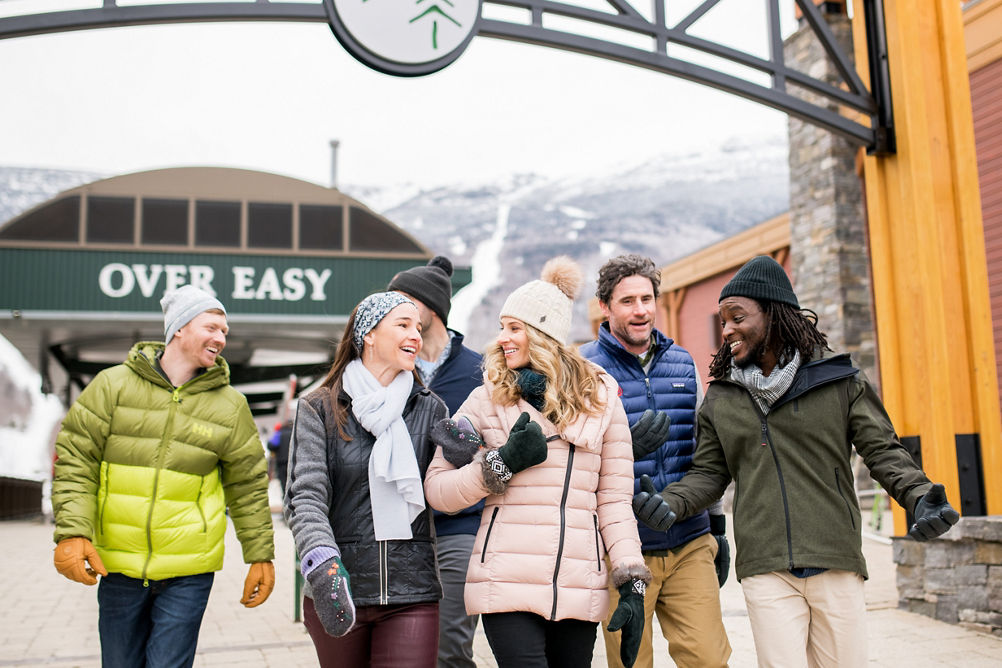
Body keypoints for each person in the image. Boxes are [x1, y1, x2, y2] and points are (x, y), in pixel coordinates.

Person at [632, 255, 960, 667]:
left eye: (737, 317)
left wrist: (917, 494)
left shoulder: (840, 380)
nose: (728, 330)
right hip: (765, 565)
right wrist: (671, 502)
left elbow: (882, 450)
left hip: (834, 556)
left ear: (773, 314)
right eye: (723, 322)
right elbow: (709, 474)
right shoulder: (723, 397)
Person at [424, 257, 651, 668]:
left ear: (543, 333)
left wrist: (632, 579)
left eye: (514, 328)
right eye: (501, 328)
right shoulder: (485, 400)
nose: (502, 339)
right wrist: (500, 464)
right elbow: (439, 490)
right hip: (504, 581)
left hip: (578, 586)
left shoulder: (601, 402)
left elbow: (616, 503)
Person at [51, 284, 276, 668]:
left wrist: (260, 555)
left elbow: (248, 485)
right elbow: (76, 460)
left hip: (189, 570)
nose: (221, 338)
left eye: (225, 331)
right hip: (118, 566)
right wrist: (73, 531)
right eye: (211, 327)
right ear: (179, 329)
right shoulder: (112, 386)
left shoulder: (230, 406)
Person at [579, 254, 731, 668]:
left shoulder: (682, 362)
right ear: (605, 307)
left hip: (689, 542)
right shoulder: (583, 369)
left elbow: (705, 453)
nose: (641, 310)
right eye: (627, 301)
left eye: (647, 298)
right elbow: (572, 458)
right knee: (630, 663)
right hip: (623, 552)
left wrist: (717, 528)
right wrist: (628, 449)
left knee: (709, 660)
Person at [284, 291, 448, 667]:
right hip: (339, 588)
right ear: (368, 335)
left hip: (412, 592)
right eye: (403, 325)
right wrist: (323, 564)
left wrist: (478, 458)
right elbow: (305, 497)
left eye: (418, 328)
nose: (415, 336)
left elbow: (448, 488)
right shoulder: (319, 408)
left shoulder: (430, 408)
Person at [387, 255, 484, 668]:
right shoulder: (391, 369)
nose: (396, 309)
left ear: (431, 309)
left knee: (449, 647)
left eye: (405, 300)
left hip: (461, 524)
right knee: (409, 650)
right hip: (402, 527)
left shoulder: (479, 369)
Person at [267, 416, 293, 496]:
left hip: (282, 463)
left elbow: (271, 445)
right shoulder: (295, 433)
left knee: (284, 483)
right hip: (294, 462)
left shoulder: (279, 434)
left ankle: (286, 499)